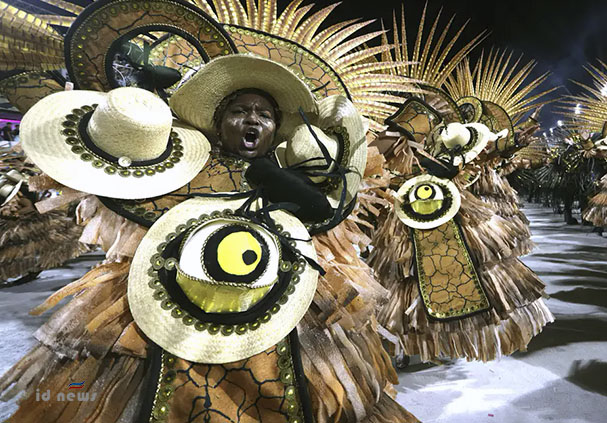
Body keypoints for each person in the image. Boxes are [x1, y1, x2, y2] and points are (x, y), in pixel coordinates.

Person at [1, 54, 417, 423]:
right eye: (239, 111)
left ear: (275, 130)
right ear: (218, 125)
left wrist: (283, 182)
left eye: (264, 114)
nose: (252, 120)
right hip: (172, 302)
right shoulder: (180, 167)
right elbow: (127, 191)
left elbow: (324, 211)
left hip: (280, 305)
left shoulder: (290, 172)